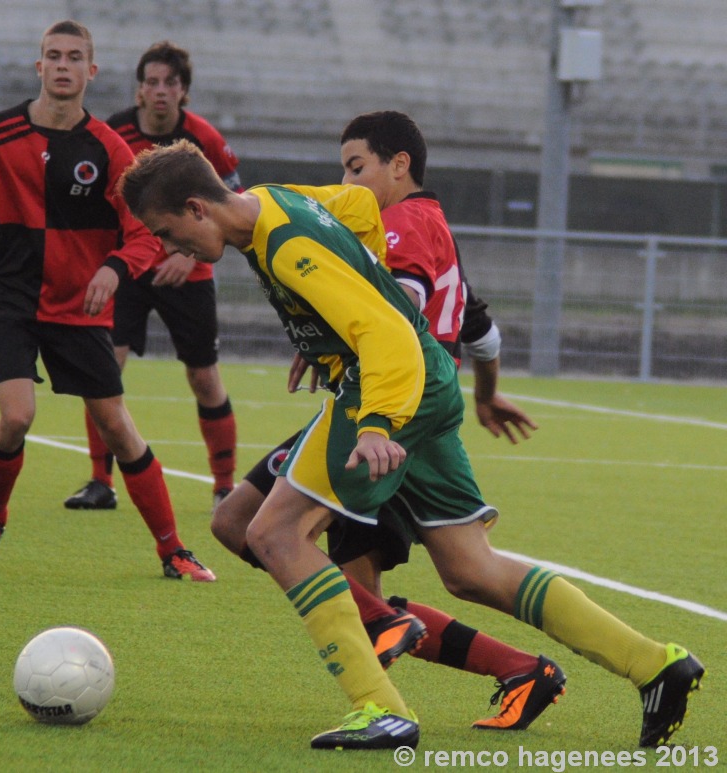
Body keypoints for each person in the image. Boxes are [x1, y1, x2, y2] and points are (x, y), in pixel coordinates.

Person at [119, 140, 705, 751]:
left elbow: (385, 333)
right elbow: (358, 206)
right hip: (431, 381)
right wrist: (340, 307)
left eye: (166, 231)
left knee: (271, 534)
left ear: (196, 206)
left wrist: (375, 422)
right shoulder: (271, 199)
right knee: (470, 569)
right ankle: (655, 664)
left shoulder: (287, 248)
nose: (168, 247)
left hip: (393, 387)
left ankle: (380, 709)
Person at [212, 111, 564, 733]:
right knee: (350, 569)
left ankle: (401, 701)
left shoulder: (402, 224)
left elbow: (390, 314)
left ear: (398, 165)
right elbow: (482, 331)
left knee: (300, 552)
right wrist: (488, 393)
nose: (346, 180)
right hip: (406, 406)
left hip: (388, 413)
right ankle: (518, 668)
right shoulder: (433, 228)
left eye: (356, 166)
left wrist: (335, 330)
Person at [0, 20, 215, 583]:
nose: (63, 65)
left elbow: (144, 233)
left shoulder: (111, 149)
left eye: (75, 56)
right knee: (17, 416)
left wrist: (114, 268)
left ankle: (173, 549)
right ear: (39, 66)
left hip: (77, 305)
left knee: (118, 427)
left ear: (91, 71)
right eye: (53, 55)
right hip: (11, 297)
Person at [64, 40, 238, 513]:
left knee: (204, 378)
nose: (160, 91)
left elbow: (233, 204)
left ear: (183, 92)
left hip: (190, 271)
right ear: (139, 90)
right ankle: (100, 482)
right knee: (105, 370)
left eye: (170, 83)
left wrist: (191, 254)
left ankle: (224, 486)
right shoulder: (112, 134)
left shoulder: (203, 139)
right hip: (131, 270)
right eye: (151, 82)